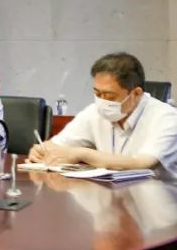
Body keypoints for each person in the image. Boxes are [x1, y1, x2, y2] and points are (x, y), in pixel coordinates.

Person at [29, 52, 177, 177]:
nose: (102, 101)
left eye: (110, 96)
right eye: (97, 93)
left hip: (159, 196)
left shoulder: (167, 118)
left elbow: (142, 164)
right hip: (110, 194)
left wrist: (82, 154)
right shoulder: (94, 112)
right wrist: (42, 151)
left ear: (136, 93)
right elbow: (57, 146)